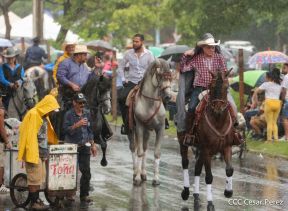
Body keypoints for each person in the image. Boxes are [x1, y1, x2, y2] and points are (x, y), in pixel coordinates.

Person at [180, 33, 239, 143]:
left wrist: (221, 78)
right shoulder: (196, 59)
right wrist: (185, 55)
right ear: (203, 48)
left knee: (233, 107)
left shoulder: (219, 58)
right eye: (209, 47)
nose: (212, 49)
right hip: (200, 88)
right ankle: (190, 133)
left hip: (218, 90)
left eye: (213, 47)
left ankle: (234, 131)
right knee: (192, 108)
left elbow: (224, 71)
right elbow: (183, 69)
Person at [17, 94, 60, 210]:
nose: (51, 112)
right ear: (46, 106)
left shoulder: (44, 116)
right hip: (33, 153)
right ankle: (34, 202)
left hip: (41, 153)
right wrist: (33, 154)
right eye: (51, 109)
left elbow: (45, 136)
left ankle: (36, 200)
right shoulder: (34, 114)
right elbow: (30, 136)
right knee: (34, 178)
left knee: (40, 178)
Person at [117, 33, 154, 134]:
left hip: (146, 83)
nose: (134, 43)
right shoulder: (128, 53)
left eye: (136, 41)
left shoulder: (149, 54)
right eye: (133, 41)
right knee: (121, 98)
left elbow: (153, 69)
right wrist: (124, 79)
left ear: (142, 42)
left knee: (160, 96)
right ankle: (126, 124)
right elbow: (120, 67)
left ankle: (163, 121)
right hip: (132, 82)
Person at [63, 92, 96, 203]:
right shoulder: (68, 114)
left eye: (83, 103)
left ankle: (84, 195)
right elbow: (66, 130)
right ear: (74, 103)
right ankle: (69, 194)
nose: (82, 105)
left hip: (84, 146)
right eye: (80, 103)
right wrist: (77, 124)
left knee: (86, 172)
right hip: (72, 147)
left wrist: (93, 144)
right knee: (70, 172)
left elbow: (90, 130)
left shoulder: (87, 113)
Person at [252, 68, 282, 143]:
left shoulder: (266, 84)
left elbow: (257, 91)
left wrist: (255, 100)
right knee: (274, 122)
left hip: (269, 103)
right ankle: (276, 139)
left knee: (269, 123)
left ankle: (269, 140)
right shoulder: (279, 85)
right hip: (278, 103)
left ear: (270, 76)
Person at [57, 44, 91, 110]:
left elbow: (89, 77)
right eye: (85, 55)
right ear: (78, 55)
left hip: (82, 94)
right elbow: (60, 76)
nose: (86, 57)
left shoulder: (85, 66)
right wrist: (72, 85)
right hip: (67, 94)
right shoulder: (65, 63)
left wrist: (97, 68)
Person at [0, 91, 11, 193]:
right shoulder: (0, 111)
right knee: (1, 163)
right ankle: (1, 184)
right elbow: (1, 128)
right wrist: (7, 141)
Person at [280, 63, 288, 141]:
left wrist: (282, 100)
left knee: (285, 118)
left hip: (287, 100)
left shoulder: (286, 77)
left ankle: (286, 136)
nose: (283, 69)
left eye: (284, 68)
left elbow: (284, 90)